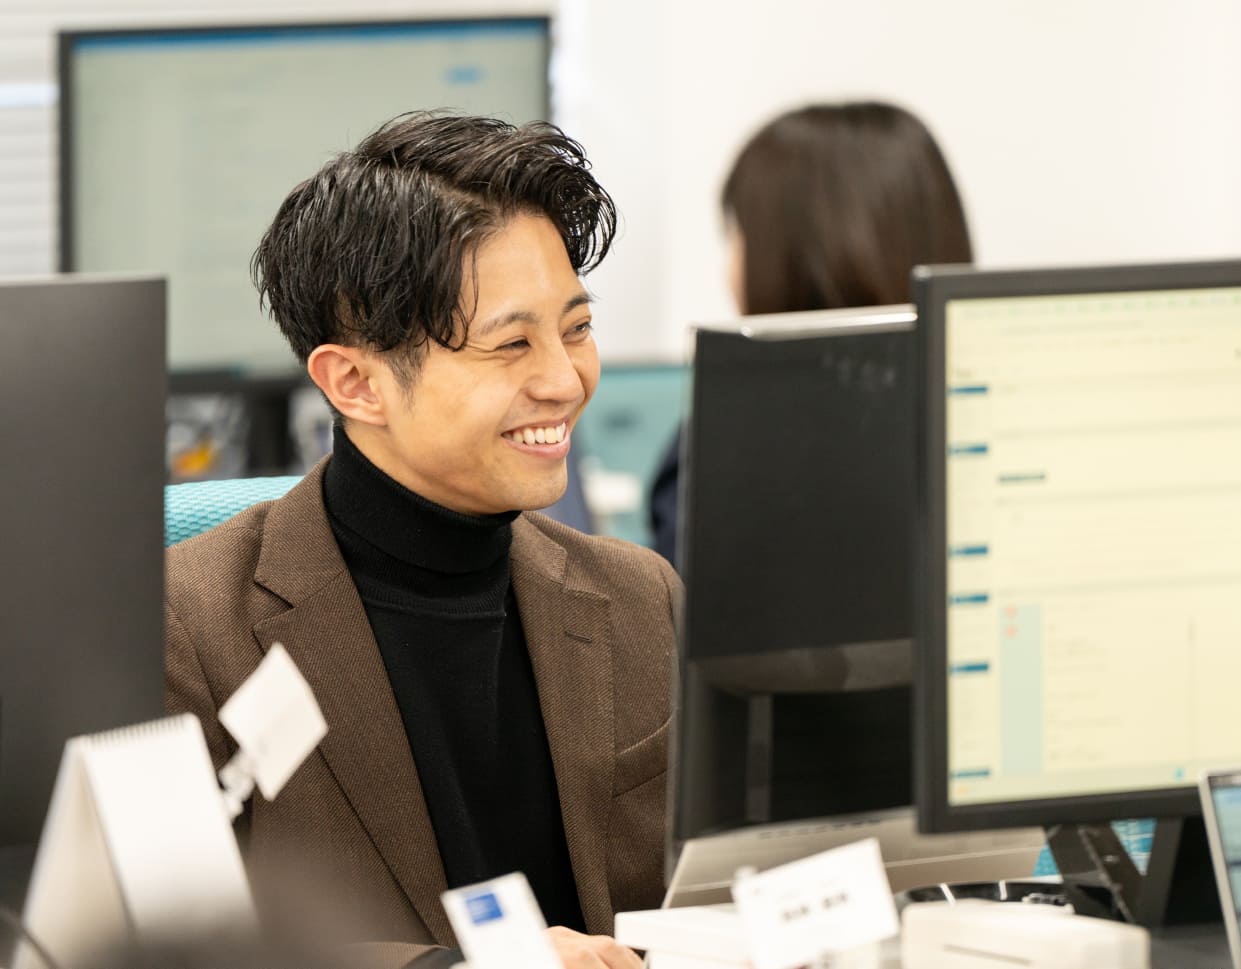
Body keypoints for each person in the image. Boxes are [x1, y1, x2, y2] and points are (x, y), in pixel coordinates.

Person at [166, 112, 676, 969]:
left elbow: (725, 896)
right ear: (355, 382)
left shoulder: (639, 598)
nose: (564, 379)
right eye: (512, 343)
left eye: (577, 329)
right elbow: (166, 949)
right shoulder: (188, 633)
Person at [650, 101, 973, 564]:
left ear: (787, 259)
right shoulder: (985, 410)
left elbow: (671, 598)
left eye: (737, 235)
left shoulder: (731, 438)